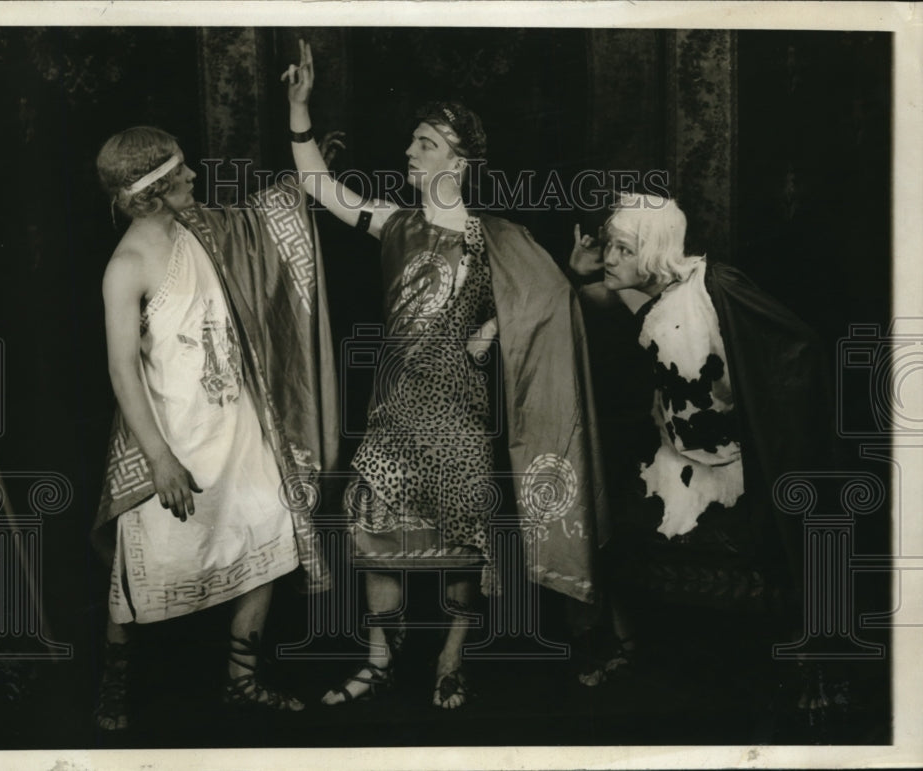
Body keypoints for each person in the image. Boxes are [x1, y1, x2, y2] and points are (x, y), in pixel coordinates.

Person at [283, 40, 609, 709]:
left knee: (462, 548)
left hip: (459, 416)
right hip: (393, 414)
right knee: (373, 537)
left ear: (459, 160)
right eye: (412, 140)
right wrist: (298, 111)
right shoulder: (393, 223)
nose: (410, 151)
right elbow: (318, 185)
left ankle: (451, 657)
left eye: (426, 142)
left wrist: (495, 329)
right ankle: (377, 657)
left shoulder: (499, 237)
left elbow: (544, 303)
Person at [91, 126, 338, 730]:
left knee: (268, 539)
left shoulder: (201, 227)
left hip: (240, 429)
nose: (195, 179)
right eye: (182, 174)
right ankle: (113, 687)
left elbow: (259, 224)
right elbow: (122, 369)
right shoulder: (125, 266)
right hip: (173, 440)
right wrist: (159, 460)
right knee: (140, 574)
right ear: (153, 191)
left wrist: (307, 155)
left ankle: (242, 682)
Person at [569, 193, 831, 685]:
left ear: (653, 251)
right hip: (674, 456)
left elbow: (798, 346)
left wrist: (761, 413)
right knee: (605, 514)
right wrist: (584, 271)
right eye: (609, 246)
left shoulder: (715, 288)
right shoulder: (657, 294)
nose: (610, 257)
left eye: (624, 249)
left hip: (727, 458)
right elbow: (601, 300)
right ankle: (627, 646)